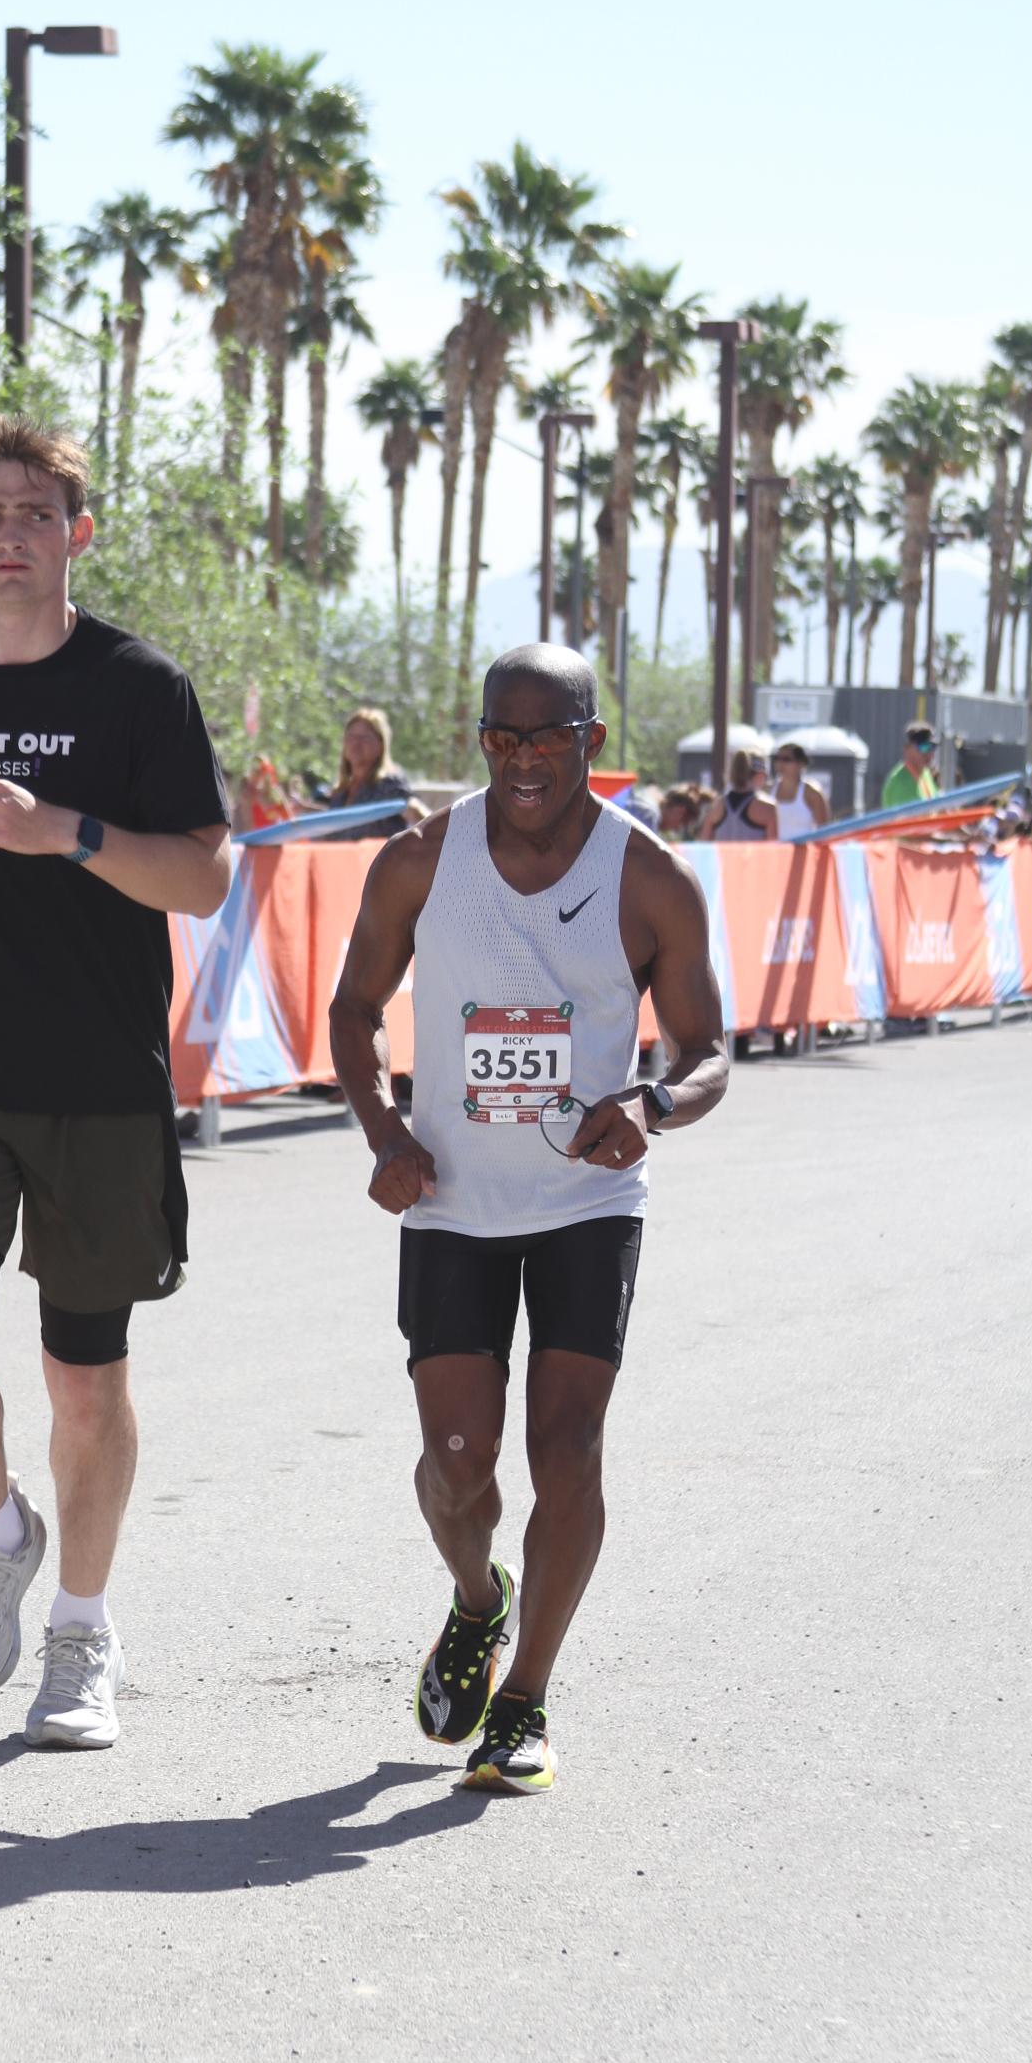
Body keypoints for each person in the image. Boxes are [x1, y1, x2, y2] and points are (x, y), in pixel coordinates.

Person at [0, 413, 232, 1751]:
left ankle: (82, 1632)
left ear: (77, 534)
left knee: (85, 1382)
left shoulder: (140, 687)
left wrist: (63, 832)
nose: (11, 535)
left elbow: (204, 876)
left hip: (98, 1082)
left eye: (36, 514)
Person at [330, 642, 728, 1794]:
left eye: (546, 738)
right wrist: (385, 1132)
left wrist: (652, 1104)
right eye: (500, 738)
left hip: (585, 1203)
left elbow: (706, 1051)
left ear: (591, 741)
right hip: (450, 1203)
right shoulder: (419, 862)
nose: (520, 761)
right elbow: (354, 1009)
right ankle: (478, 1599)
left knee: (569, 1448)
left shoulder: (650, 878)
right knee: (457, 1468)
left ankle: (526, 1699)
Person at [324, 707, 422, 838]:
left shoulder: (389, 785)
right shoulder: (341, 792)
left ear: (381, 744)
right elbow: (338, 822)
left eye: (364, 738)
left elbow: (416, 812)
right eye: (351, 736)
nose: (356, 743)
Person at [703, 747, 777, 842]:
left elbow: (704, 844)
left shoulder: (715, 807)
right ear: (760, 775)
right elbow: (773, 847)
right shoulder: (768, 808)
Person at [769, 741, 830, 838]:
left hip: (803, 847)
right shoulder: (768, 790)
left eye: (786, 759)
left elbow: (824, 830)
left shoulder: (812, 792)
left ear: (800, 764)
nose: (780, 763)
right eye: (777, 758)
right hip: (775, 847)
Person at [882, 722, 939, 812]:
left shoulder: (925, 773)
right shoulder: (900, 783)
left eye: (932, 747)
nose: (930, 754)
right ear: (907, 749)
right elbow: (904, 819)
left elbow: (936, 808)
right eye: (924, 747)